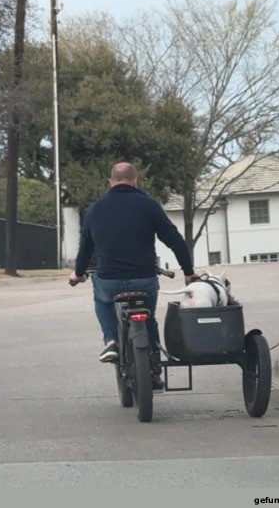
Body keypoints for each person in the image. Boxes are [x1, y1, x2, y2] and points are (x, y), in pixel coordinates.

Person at [69, 162, 199, 391]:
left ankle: (111, 340)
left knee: (102, 299)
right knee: (149, 318)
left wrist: (78, 273)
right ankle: (155, 371)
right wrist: (188, 272)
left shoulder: (96, 209)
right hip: (144, 280)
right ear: (135, 181)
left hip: (109, 281)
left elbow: (86, 248)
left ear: (111, 182)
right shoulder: (149, 205)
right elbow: (174, 239)